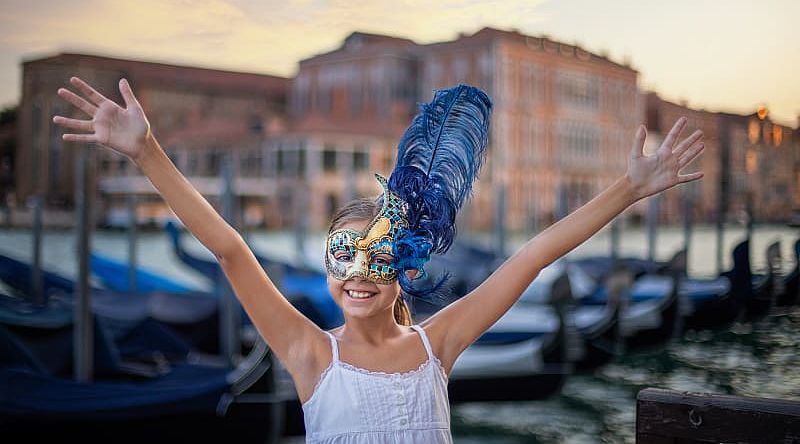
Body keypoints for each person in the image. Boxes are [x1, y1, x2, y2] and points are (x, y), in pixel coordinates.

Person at [53, 77, 704, 443]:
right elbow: (229, 249)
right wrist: (147, 154)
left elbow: (533, 256)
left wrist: (630, 188)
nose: (359, 271)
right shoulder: (311, 355)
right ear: (330, 273)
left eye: (377, 257)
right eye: (343, 256)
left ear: (403, 272)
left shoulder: (437, 344)